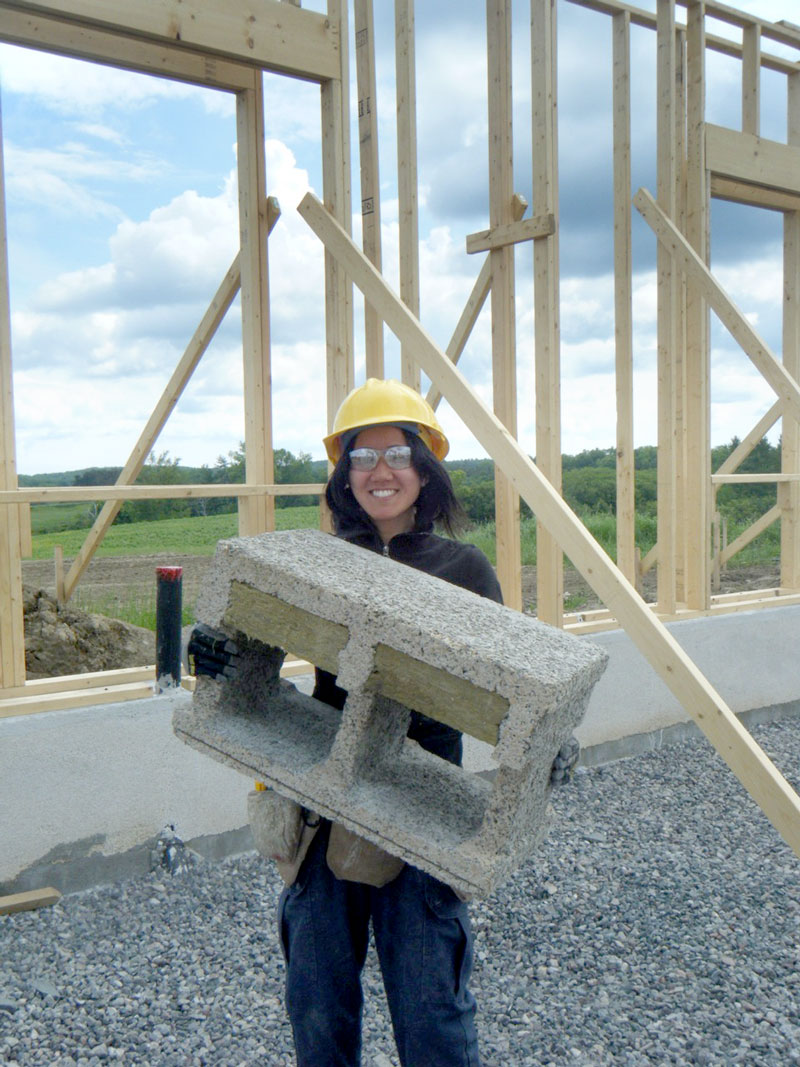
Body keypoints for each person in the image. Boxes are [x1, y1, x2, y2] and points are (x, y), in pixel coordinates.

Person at [188, 378, 579, 1066]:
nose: (380, 472)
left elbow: (513, 677)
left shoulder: (463, 568)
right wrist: (219, 655)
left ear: (425, 468)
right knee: (317, 1002)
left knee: (432, 1012)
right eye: (361, 458)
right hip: (324, 807)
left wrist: (555, 741)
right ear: (344, 475)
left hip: (421, 809)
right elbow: (258, 636)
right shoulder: (324, 561)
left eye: (396, 454)